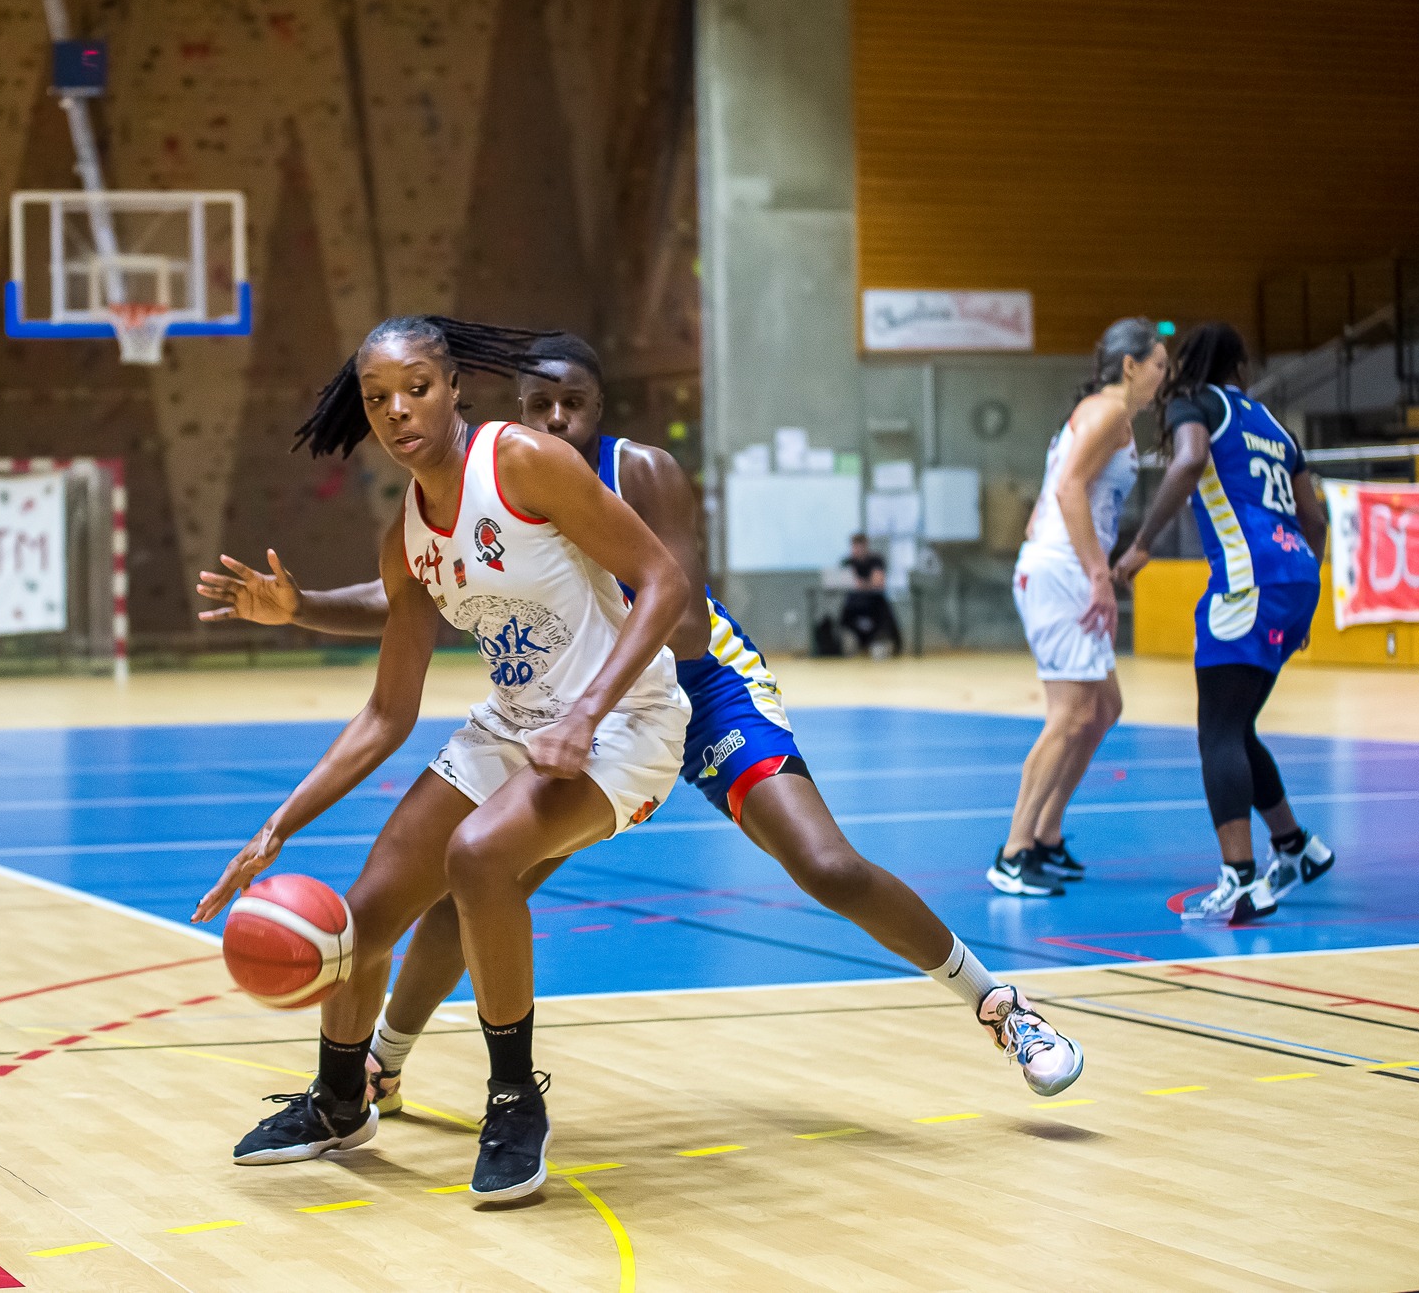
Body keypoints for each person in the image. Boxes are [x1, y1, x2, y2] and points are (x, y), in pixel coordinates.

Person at [198, 332, 1086, 1106]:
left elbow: (686, 617)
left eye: (571, 406)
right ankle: (381, 1066)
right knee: (469, 886)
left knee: (826, 865)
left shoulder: (631, 472)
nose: (553, 423)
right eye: (538, 404)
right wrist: (306, 604)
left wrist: (580, 572)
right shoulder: (487, 487)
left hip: (694, 691)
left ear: (598, 409)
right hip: (567, 708)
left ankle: (1000, 1005)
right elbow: (420, 596)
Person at [190, 315, 694, 1203]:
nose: (398, 411)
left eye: (415, 388)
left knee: (478, 856)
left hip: (624, 725)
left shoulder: (524, 462)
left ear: (454, 385)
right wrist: (276, 828)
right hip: (513, 728)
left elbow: (665, 583)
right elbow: (387, 713)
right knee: (361, 917)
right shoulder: (410, 538)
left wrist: (583, 714)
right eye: (378, 398)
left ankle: (513, 1100)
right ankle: (340, 1102)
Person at [1114, 321, 1337, 924]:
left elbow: (1188, 463)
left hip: (1246, 579)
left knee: (1217, 731)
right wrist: (1302, 595)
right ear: (1240, 365)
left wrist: (1141, 543)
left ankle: (1240, 881)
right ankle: (1295, 846)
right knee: (1237, 726)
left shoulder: (1197, 403)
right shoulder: (1274, 426)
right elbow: (1315, 524)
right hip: (1294, 577)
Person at [992, 318, 1166, 898]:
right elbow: (1068, 490)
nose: (1164, 379)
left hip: (1064, 568)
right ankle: (1014, 851)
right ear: (1130, 365)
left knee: (1104, 706)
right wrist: (1097, 574)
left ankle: (1046, 833)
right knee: (1069, 716)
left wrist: (1101, 567)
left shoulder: (1108, 416)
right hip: (1061, 571)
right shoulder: (1108, 412)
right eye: (1160, 366)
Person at [840, 533, 903, 656]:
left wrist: (861, 584)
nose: (856, 550)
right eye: (854, 547)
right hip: (855, 604)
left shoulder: (875, 560)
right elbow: (848, 582)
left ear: (865, 546)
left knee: (883, 627)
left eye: (859, 546)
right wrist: (864, 583)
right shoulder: (848, 562)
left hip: (874, 603)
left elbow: (878, 582)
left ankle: (881, 643)